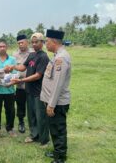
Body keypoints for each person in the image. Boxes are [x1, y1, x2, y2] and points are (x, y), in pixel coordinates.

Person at [11, 33, 50, 146]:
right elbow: (23, 67)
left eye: (36, 42)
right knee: (31, 115)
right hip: (29, 91)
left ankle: (44, 140)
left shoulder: (43, 57)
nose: (34, 44)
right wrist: (12, 67)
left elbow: (38, 75)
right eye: (32, 42)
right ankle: (34, 135)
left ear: (42, 43)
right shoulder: (32, 55)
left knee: (41, 116)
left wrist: (22, 81)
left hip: (39, 92)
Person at [41, 29, 71, 163]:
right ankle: (57, 152)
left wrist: (51, 104)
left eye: (47, 41)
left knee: (58, 129)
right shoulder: (57, 55)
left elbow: (58, 84)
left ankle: (60, 158)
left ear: (54, 42)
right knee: (53, 128)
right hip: (53, 101)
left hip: (57, 103)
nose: (45, 44)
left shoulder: (61, 58)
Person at [13, 34, 33, 133]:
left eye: (22, 42)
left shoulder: (34, 53)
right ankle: (21, 122)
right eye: (19, 43)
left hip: (32, 84)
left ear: (27, 42)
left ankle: (33, 122)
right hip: (20, 85)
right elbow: (13, 69)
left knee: (32, 104)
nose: (20, 45)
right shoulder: (15, 55)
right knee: (20, 104)